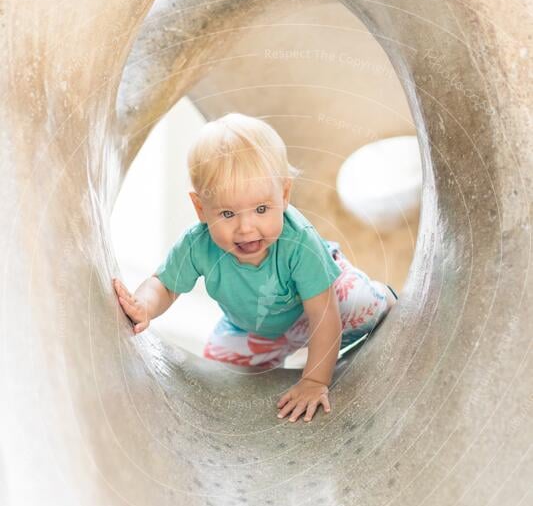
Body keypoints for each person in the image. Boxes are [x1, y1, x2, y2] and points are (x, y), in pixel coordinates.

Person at [113, 113, 398, 423]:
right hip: (254, 327)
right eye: (227, 213)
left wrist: (314, 381)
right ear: (200, 209)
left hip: (321, 304)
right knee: (218, 378)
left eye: (261, 209)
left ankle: (383, 295)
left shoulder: (298, 241)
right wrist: (143, 306)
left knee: (360, 303)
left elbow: (324, 314)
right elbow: (165, 285)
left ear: (284, 195)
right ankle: (283, 352)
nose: (247, 228)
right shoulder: (198, 244)